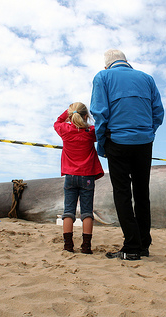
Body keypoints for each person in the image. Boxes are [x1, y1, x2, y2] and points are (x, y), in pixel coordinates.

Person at [90, 49, 164, 261]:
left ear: (107, 65)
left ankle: (131, 246)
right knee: (142, 194)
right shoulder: (146, 78)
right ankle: (143, 245)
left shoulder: (102, 77)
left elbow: (100, 112)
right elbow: (158, 112)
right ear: (126, 62)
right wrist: (148, 132)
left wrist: (103, 143)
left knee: (122, 193)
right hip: (144, 142)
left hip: (117, 141)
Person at [54, 102, 104, 254]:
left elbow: (57, 121)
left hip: (70, 176)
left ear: (70, 116)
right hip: (87, 177)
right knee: (87, 212)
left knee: (68, 211)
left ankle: (68, 246)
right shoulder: (90, 131)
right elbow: (102, 129)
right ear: (85, 116)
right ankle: (86, 247)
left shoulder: (65, 130)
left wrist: (69, 113)